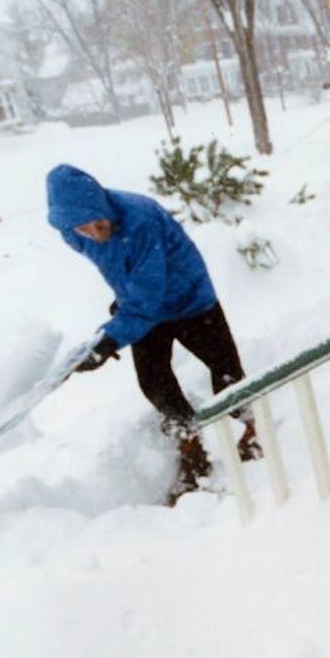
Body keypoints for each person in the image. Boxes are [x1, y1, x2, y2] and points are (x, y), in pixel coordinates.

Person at [45, 163, 260, 503]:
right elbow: (121, 269)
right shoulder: (73, 232)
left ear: (103, 208)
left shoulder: (139, 220)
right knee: (154, 382)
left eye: (97, 224)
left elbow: (147, 298)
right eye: (83, 229)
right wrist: (123, 300)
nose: (93, 234)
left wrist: (112, 338)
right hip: (142, 305)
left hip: (189, 298)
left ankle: (251, 430)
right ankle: (191, 448)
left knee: (225, 369)